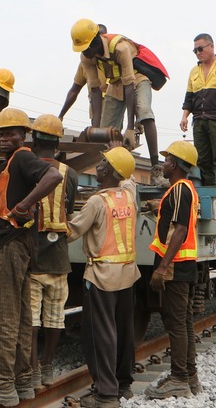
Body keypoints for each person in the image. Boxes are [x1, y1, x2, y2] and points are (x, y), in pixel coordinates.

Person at [0, 108, 63, 407]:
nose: (4, 138)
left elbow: (54, 175)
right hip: (15, 241)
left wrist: (24, 205)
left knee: (4, 314)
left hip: (13, 247)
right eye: (0, 133)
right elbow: (5, 210)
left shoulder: (22, 157)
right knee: (22, 315)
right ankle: (24, 381)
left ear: (24, 136)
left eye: (11, 133)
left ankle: (2, 386)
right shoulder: (12, 163)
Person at [65, 147, 140, 408]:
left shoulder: (98, 202)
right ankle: (124, 384)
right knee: (123, 330)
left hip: (101, 276)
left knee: (101, 334)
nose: (97, 166)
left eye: (102, 162)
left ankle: (106, 395)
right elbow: (129, 179)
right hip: (127, 274)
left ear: (109, 171)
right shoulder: (128, 196)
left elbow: (72, 231)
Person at [69, 18, 167, 186]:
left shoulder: (120, 48)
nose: (84, 53)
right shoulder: (87, 58)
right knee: (106, 130)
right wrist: (97, 128)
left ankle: (156, 169)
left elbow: (130, 86)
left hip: (136, 78)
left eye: (86, 49)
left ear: (95, 42)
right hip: (115, 83)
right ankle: (113, 174)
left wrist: (130, 127)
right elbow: (95, 91)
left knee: (144, 111)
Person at [145, 140, 201, 399]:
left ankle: (179, 379)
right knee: (185, 322)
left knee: (176, 323)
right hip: (185, 265)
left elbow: (179, 230)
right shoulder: (184, 189)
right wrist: (159, 207)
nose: (163, 164)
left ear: (175, 164)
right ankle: (190, 377)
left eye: (167, 160)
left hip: (175, 266)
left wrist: (162, 267)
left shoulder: (179, 190)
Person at [26, 114, 79, 388]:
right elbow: (68, 212)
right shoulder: (70, 174)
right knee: (55, 317)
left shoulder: (25, 167)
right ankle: (47, 368)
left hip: (32, 254)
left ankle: (33, 369)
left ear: (34, 140)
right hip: (58, 256)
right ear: (58, 143)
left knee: (32, 317)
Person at [179, 33, 216, 193]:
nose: (198, 53)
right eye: (195, 51)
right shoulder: (194, 71)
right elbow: (189, 96)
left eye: (200, 48)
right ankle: (209, 192)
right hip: (199, 120)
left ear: (211, 46)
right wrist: (185, 116)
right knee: (203, 160)